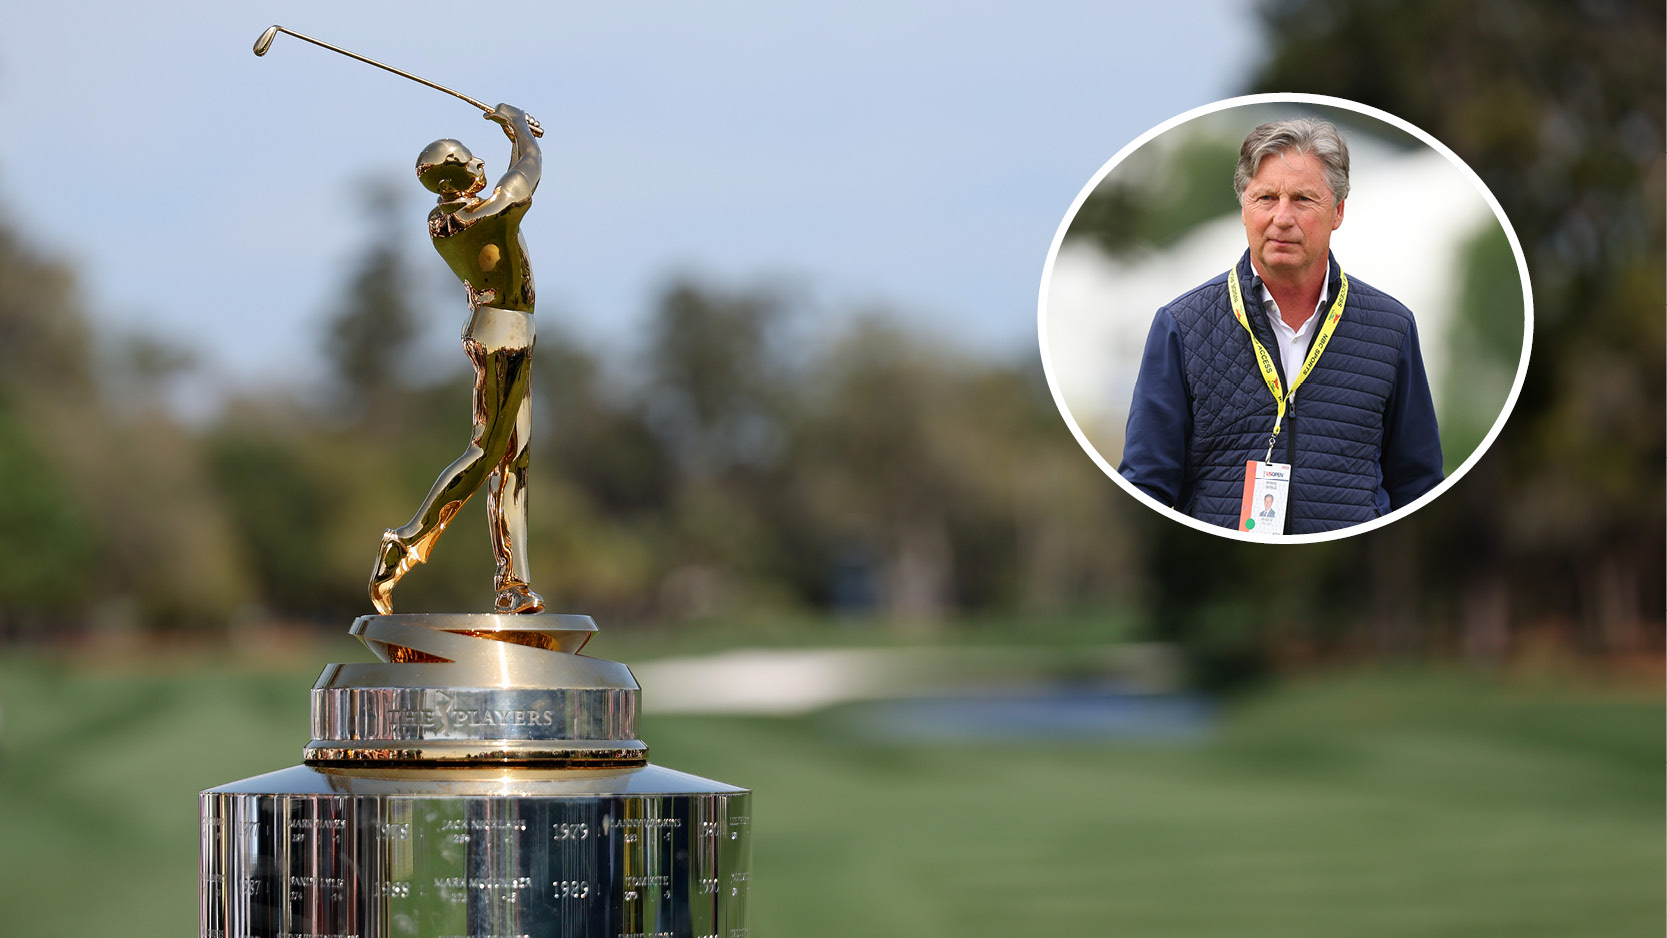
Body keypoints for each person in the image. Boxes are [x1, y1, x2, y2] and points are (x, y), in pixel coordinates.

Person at [1118, 118, 1444, 534]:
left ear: (1338, 211)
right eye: (1266, 197)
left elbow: (1418, 487)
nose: (1282, 217)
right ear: (1243, 207)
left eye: (1304, 199)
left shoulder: (1391, 328)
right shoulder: (1181, 326)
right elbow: (1146, 488)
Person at [369, 103, 547, 614]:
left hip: (507, 332)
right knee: (488, 453)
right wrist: (516, 127)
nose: (480, 164)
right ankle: (406, 541)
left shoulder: (443, 219)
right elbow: (527, 173)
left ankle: (513, 585)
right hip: (504, 337)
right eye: (471, 161)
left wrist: (516, 136)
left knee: (513, 462)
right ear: (459, 176)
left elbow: (514, 175)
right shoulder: (482, 216)